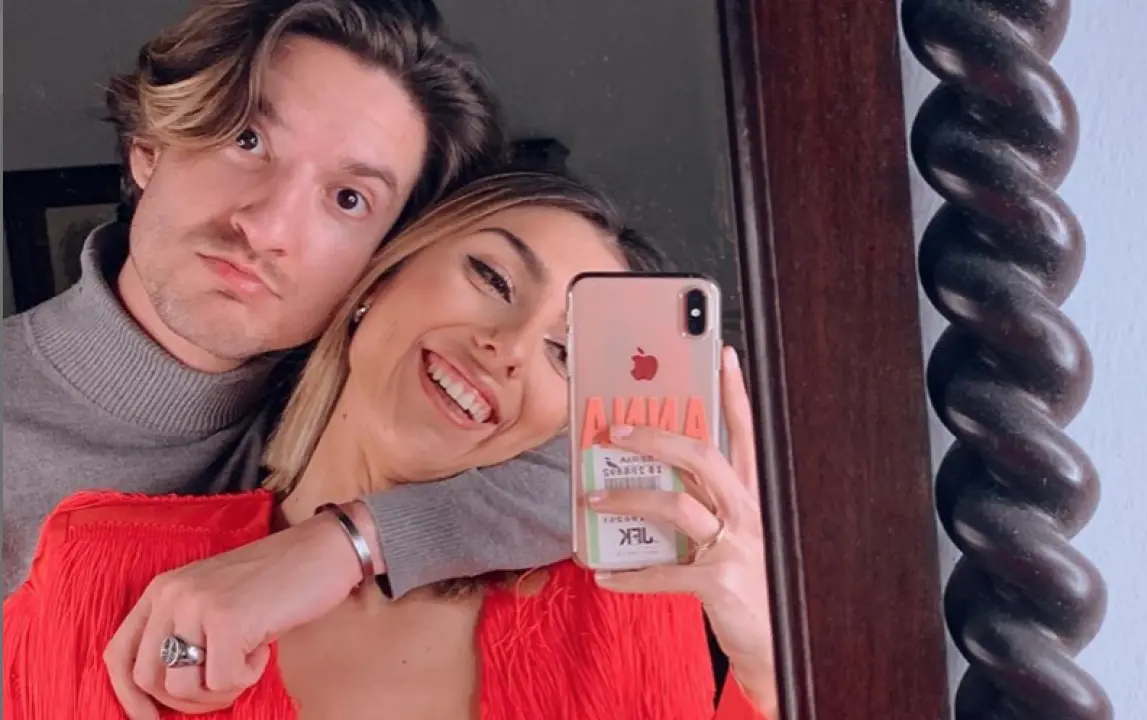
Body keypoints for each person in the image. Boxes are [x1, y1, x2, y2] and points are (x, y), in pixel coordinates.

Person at [3, 171, 778, 720]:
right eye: (493, 278)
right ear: (378, 280)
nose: (508, 348)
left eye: (565, 355)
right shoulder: (99, 561)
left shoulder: (619, 606)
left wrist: (773, 678)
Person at [1, 1, 591, 708]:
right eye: (247, 140)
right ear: (151, 145)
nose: (268, 228)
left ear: (384, 260)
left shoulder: (362, 401)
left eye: (348, 198)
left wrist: (351, 543)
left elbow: (635, 465)